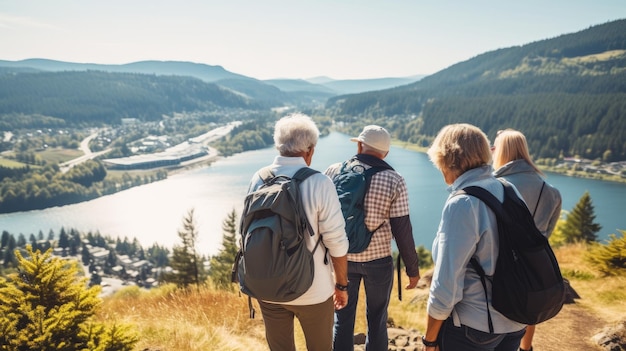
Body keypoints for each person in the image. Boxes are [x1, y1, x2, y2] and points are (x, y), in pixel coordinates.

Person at [247, 113, 349, 351]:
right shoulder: (319, 182)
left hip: (267, 286)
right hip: (312, 289)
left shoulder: (259, 179)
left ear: (278, 145)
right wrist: (341, 285)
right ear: (310, 150)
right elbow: (337, 241)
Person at [422, 123, 526, 351]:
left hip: (475, 327)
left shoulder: (463, 203)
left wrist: (429, 340)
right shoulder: (507, 188)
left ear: (447, 159)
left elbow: (447, 282)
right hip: (515, 320)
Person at [325, 125, 420, 351]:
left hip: (341, 260)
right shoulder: (394, 180)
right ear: (385, 153)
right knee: (377, 320)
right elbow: (402, 230)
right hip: (378, 262)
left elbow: (323, 218)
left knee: (343, 318)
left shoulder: (333, 171)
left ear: (359, 145)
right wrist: (412, 269)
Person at [492, 128, 562, 351]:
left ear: (502, 150)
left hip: (497, 262)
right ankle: (526, 347)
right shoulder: (550, 191)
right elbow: (546, 235)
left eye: (495, 146)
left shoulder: (493, 186)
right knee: (528, 307)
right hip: (533, 266)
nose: (492, 150)